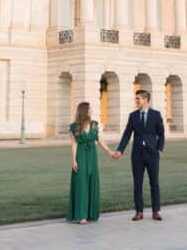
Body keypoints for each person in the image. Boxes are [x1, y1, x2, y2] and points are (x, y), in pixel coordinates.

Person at [113, 90, 166, 220]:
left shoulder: (156, 115)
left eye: (138, 99)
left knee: (154, 183)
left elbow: (161, 134)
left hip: (152, 154)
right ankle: (139, 211)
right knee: (137, 184)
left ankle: (156, 211)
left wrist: (159, 149)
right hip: (137, 155)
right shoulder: (133, 116)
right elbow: (127, 134)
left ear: (145, 99)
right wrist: (120, 150)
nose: (136, 101)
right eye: (136, 99)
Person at [67, 101, 115, 224]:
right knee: (81, 185)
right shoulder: (74, 127)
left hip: (92, 157)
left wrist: (109, 151)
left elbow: (100, 139)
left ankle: (90, 213)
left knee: (92, 183)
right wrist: (73, 161)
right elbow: (74, 144)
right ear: (84, 111)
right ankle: (81, 215)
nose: (92, 110)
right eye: (90, 109)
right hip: (81, 157)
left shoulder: (94, 125)